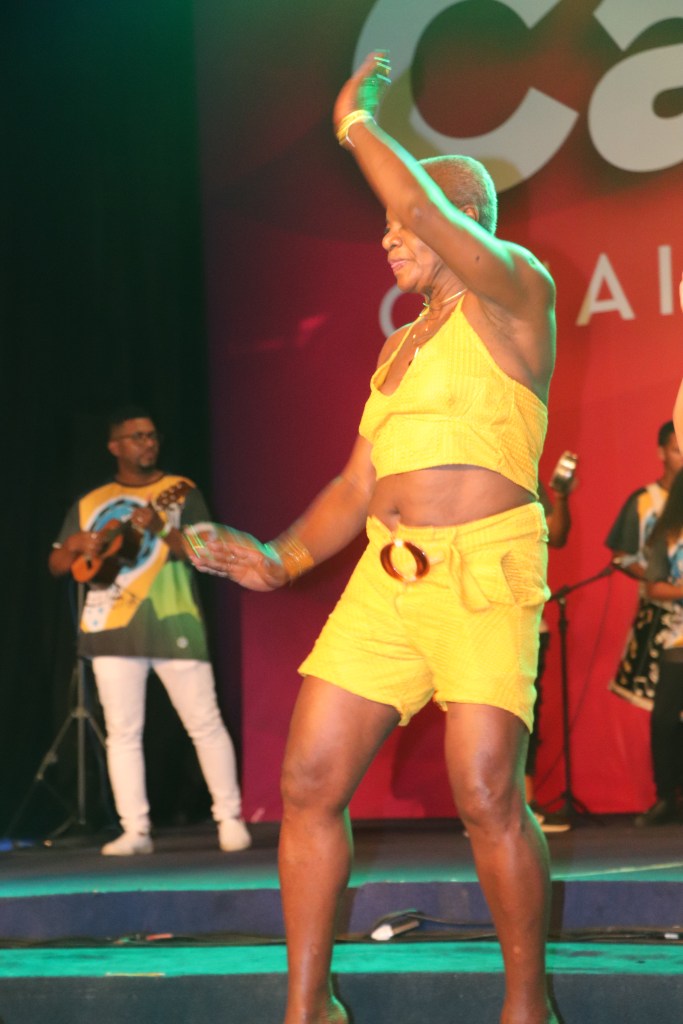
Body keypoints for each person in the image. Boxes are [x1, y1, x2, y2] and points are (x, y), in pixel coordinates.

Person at [188, 51, 558, 1024]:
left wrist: (356, 122)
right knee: (308, 779)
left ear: (459, 223)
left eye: (403, 225)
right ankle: (308, 1007)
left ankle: (526, 1007)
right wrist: (278, 558)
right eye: (388, 227)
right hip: (387, 581)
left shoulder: (515, 294)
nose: (389, 237)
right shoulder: (399, 345)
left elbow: (424, 208)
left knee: (484, 791)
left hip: (484, 570)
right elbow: (358, 485)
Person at [48, 405, 251, 856]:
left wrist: (161, 528)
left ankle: (229, 817)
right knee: (122, 732)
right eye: (137, 437)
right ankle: (135, 830)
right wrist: (78, 543)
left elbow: (203, 551)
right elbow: (58, 562)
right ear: (114, 446)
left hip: (173, 621)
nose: (148, 443)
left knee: (204, 722)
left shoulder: (180, 491)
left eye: (152, 436)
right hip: (110, 627)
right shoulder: (91, 502)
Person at [605, 421, 683, 709]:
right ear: (661, 452)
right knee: (662, 703)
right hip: (660, 612)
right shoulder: (644, 501)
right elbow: (622, 556)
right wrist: (659, 580)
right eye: (677, 450)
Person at [526, 470, 575, 833]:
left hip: (530, 618)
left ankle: (523, 804)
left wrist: (561, 496)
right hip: (481, 614)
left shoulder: (525, 474)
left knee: (525, 716)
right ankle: (500, 805)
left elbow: (556, 536)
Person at [635, 468, 683, 825]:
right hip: (679, 637)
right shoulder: (669, 534)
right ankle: (667, 796)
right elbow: (654, 586)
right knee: (664, 720)